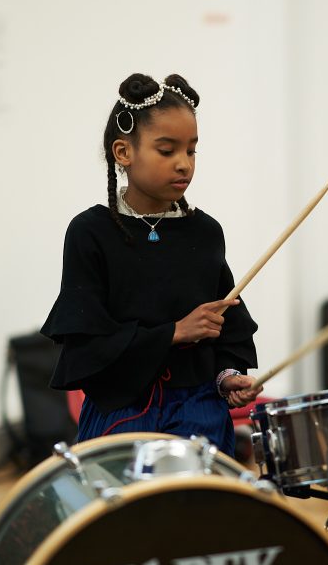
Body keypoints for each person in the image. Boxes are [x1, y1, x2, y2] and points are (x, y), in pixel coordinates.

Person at [42, 72, 263, 457]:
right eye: (167, 151)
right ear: (123, 152)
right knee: (124, 516)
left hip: (198, 413)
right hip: (121, 414)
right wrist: (173, 332)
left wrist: (228, 376)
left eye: (191, 151)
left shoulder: (206, 232)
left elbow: (228, 327)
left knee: (194, 513)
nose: (183, 164)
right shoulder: (90, 232)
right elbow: (89, 344)